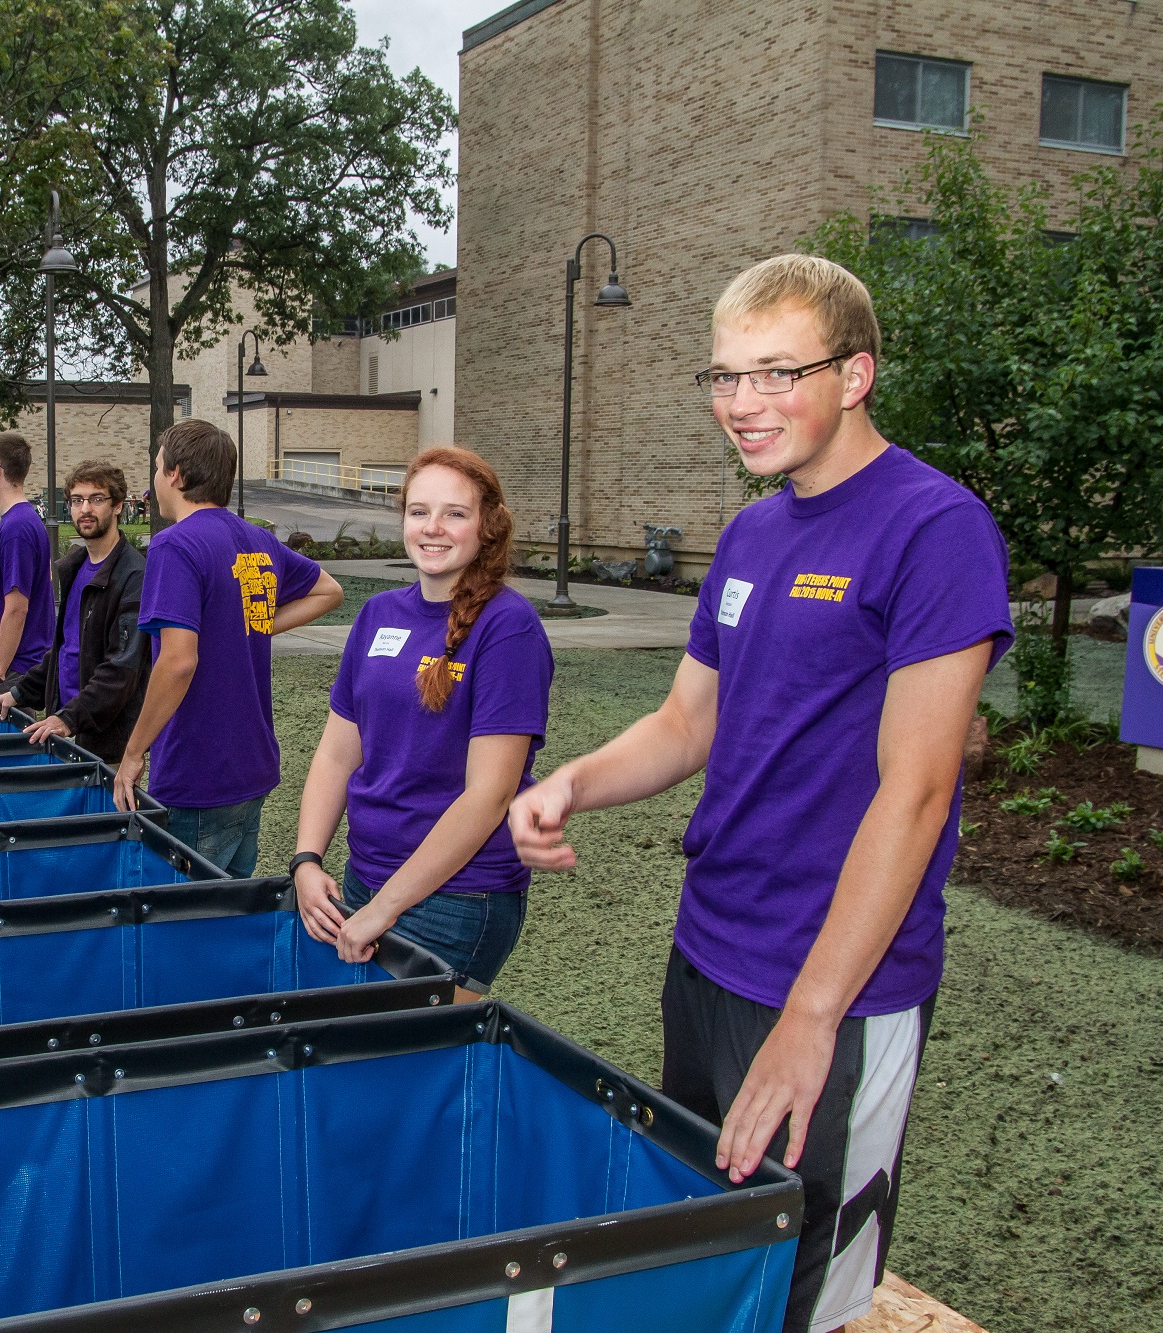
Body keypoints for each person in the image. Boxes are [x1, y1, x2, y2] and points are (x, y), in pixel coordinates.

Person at [507, 255, 1012, 1333]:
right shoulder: (747, 532)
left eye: (777, 373)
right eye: (725, 377)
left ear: (855, 373)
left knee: (802, 1295)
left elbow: (915, 793)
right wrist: (569, 784)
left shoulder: (934, 526)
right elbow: (688, 723)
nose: (743, 404)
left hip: (836, 986)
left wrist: (810, 1018)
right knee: (704, 1254)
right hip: (706, 955)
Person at [290, 448, 551, 996]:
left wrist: (383, 910)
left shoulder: (509, 628)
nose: (433, 528)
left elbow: (488, 794)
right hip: (364, 878)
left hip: (457, 899)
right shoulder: (379, 613)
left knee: (423, 1072)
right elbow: (338, 753)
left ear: (488, 526)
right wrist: (307, 861)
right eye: (418, 511)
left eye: (455, 513)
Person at [113, 420, 342, 876]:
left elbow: (177, 663)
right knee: (231, 915)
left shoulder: (173, 544)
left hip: (199, 772)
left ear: (175, 474)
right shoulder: (257, 539)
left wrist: (134, 752)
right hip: (251, 766)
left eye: (157, 468)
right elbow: (328, 590)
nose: (154, 479)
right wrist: (249, 625)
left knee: (189, 926)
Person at [0, 460, 149, 763]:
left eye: (96, 499)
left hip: (104, 742)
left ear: (117, 506)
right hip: (66, 729)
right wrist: (18, 693)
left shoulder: (133, 576)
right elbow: (65, 649)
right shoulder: (75, 568)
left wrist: (68, 719)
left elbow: (122, 670)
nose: (85, 509)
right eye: (77, 500)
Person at [0, 434, 54, 691]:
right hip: (8, 667)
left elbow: (18, 607)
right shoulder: (16, 521)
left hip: (10, 669)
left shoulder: (18, 527)